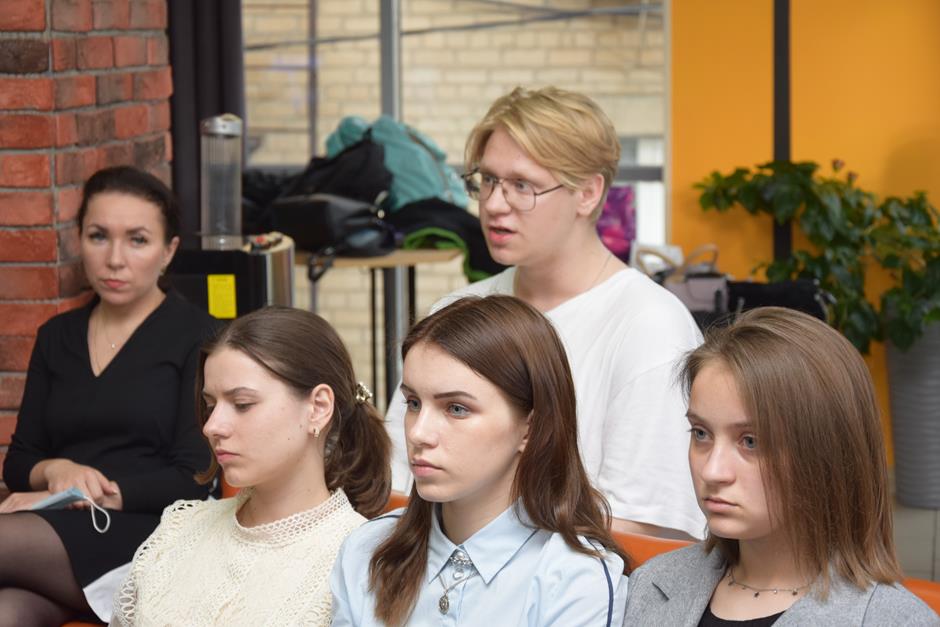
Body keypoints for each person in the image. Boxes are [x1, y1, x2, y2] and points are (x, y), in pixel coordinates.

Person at [384, 86, 704, 539]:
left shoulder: (649, 327)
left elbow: (648, 532)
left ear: (588, 193)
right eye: (488, 180)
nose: (494, 204)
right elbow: (397, 484)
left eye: (522, 185)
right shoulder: (456, 311)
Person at [622, 307, 939, 626]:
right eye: (701, 433)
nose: (712, 472)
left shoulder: (893, 620)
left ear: (826, 453)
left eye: (750, 441)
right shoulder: (650, 585)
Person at [0, 166, 219, 625]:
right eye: (99, 236)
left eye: (137, 240)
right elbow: (20, 461)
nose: (114, 259)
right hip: (55, 536)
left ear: (168, 251)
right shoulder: (57, 336)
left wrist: (92, 495)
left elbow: (195, 476)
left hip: (147, 533)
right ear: (79, 240)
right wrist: (56, 470)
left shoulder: (200, 337)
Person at [332, 295, 629, 626]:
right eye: (413, 403)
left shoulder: (574, 579)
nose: (418, 433)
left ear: (530, 428)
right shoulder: (365, 550)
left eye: (456, 408)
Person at [111, 306, 392, 626]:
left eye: (242, 404)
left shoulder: (360, 562)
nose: (212, 426)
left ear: (318, 407)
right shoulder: (179, 529)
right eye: (210, 405)